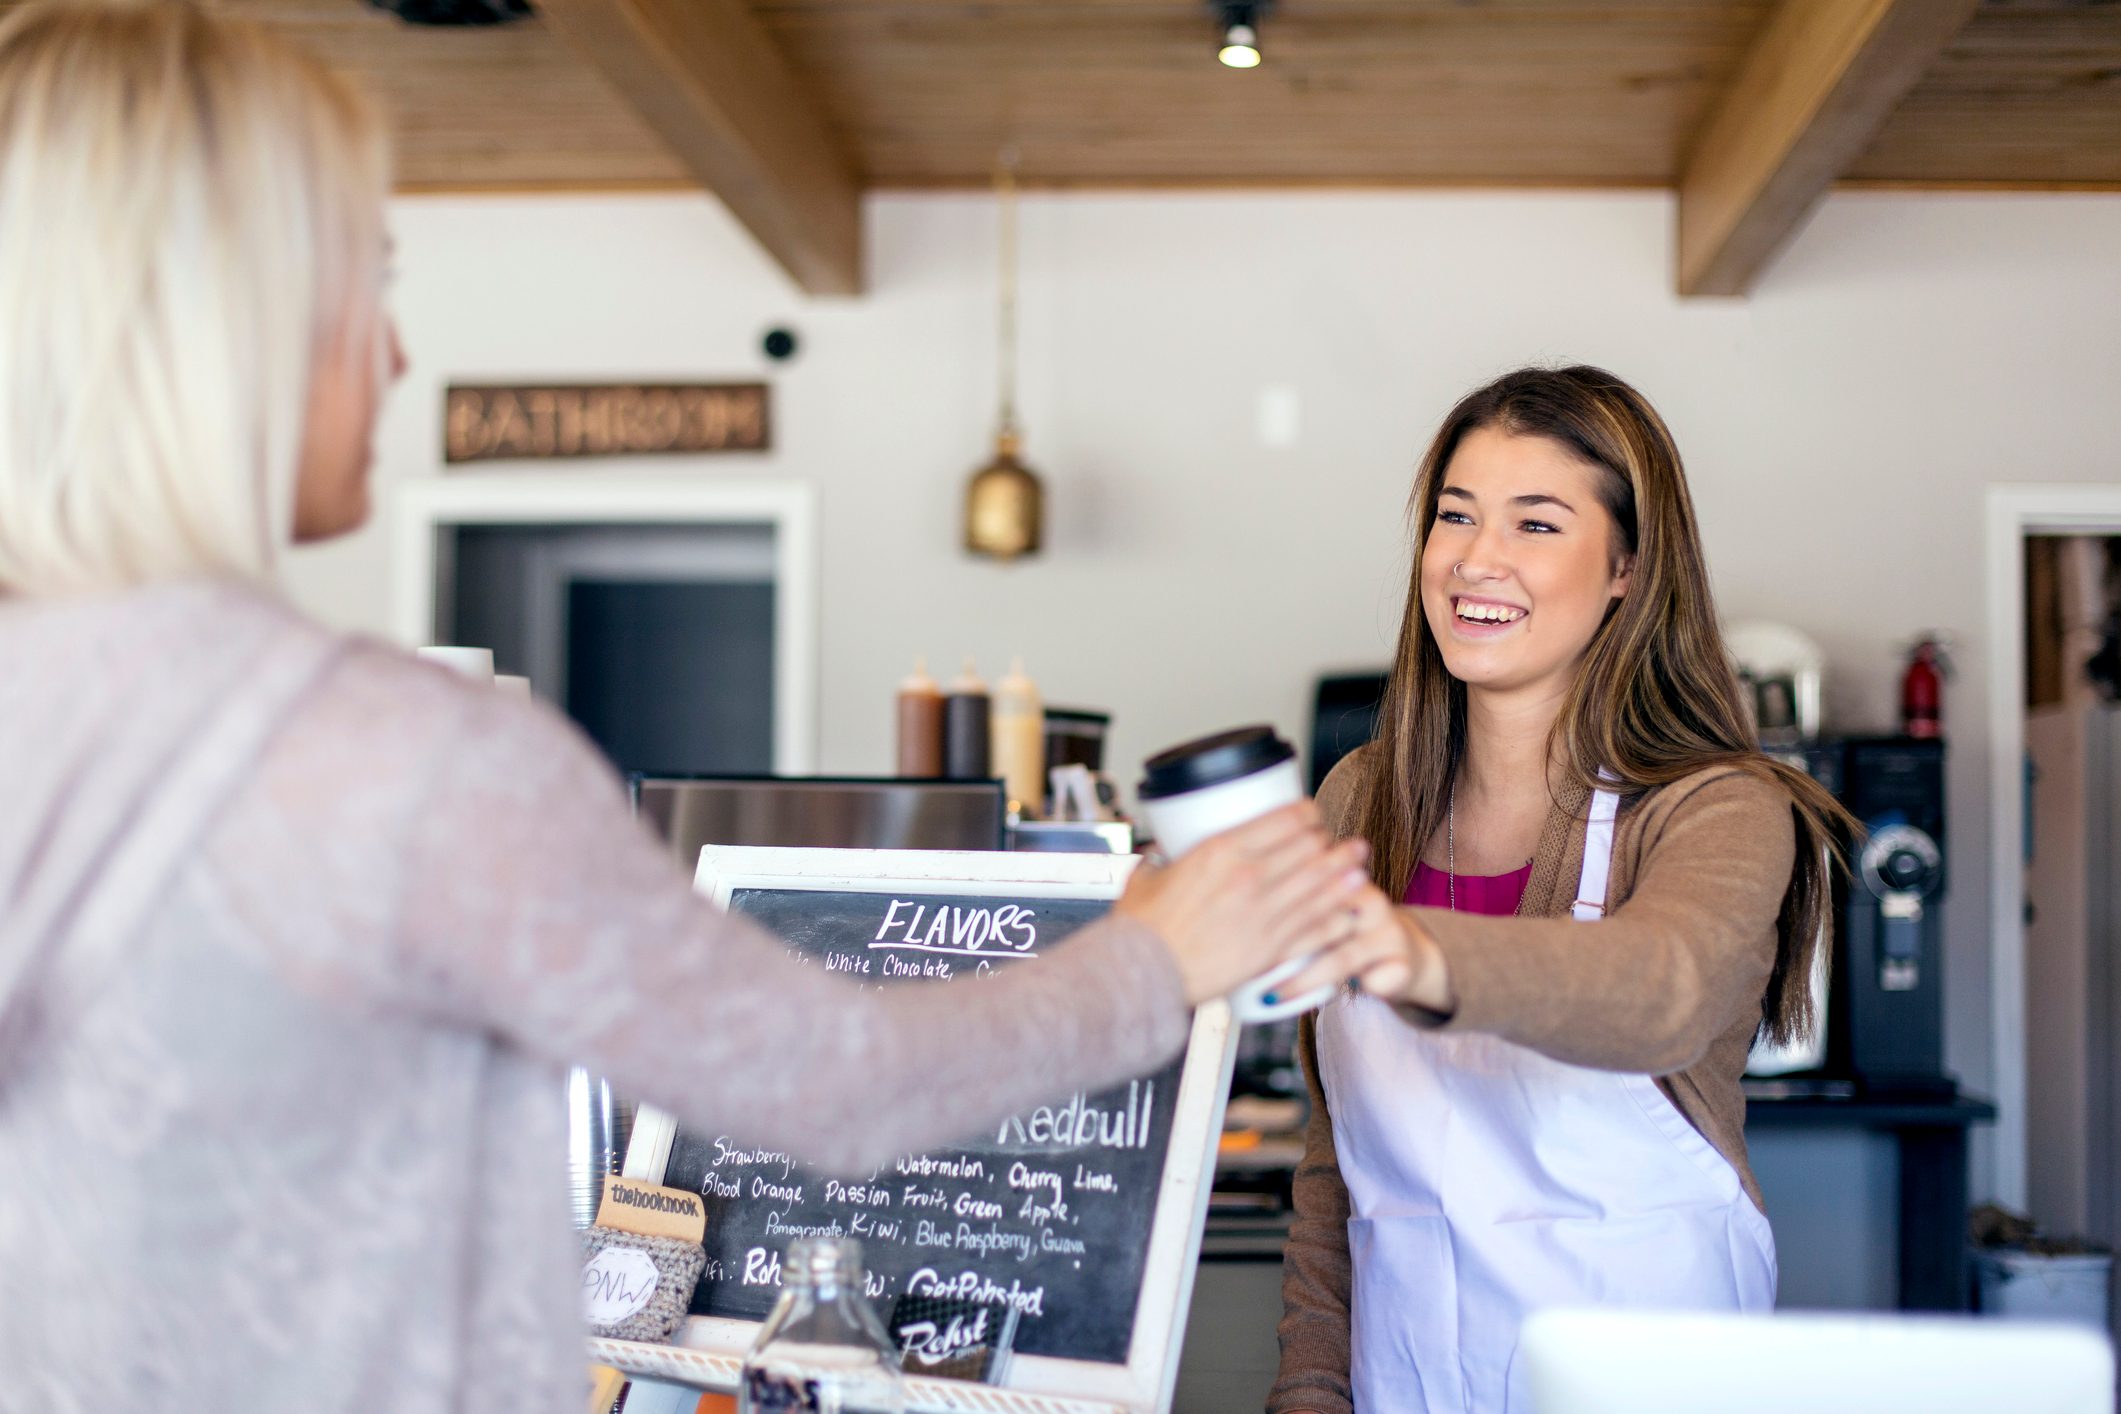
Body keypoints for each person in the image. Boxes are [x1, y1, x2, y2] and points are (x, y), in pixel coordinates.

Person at [0, 6, 1379, 1409]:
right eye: (367, 282)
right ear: (234, 326)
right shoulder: (404, 758)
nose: (399, 356)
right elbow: (839, 1084)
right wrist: (1160, 950)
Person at [1269, 366, 1857, 1414]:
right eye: (1454, 515)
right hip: (1406, 1383)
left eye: (1536, 524)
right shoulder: (1360, 801)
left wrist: (1414, 950)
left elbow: (1661, 989)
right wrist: (1309, 1391)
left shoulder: (1713, 805)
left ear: (1628, 565)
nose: (1475, 559)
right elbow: (1333, 1169)